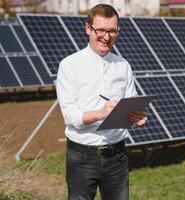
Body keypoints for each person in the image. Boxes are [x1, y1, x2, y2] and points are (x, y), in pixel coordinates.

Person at [56, 4, 148, 200]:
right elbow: (69, 116)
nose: (106, 37)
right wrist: (100, 113)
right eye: (101, 30)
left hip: (117, 156)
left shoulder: (123, 65)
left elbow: (130, 103)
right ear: (88, 28)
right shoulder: (69, 65)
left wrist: (135, 116)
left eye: (112, 31)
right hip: (81, 157)